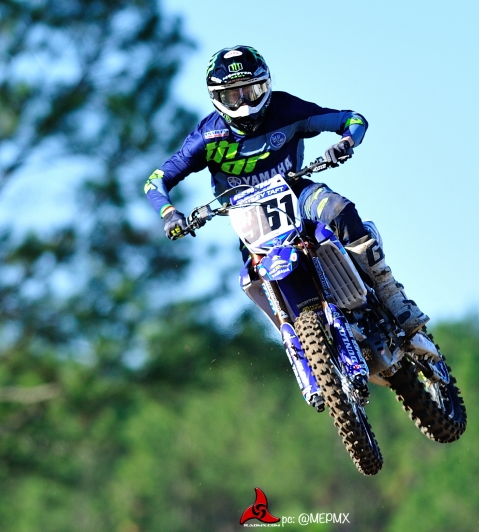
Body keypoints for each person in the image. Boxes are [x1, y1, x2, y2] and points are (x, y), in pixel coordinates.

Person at [144, 45, 428, 336]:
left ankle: (391, 294)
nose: (244, 103)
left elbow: (353, 119)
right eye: (233, 96)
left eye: (251, 91)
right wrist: (169, 214)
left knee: (338, 210)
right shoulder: (206, 137)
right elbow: (155, 181)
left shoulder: (287, 109)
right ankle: (292, 332)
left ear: (266, 85)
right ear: (217, 98)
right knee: (252, 277)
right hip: (247, 217)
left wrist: (345, 143)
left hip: (296, 191)